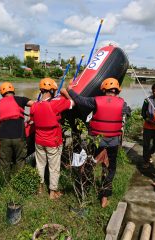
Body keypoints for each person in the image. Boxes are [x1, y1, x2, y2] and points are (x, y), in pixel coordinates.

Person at [64, 78, 131, 208]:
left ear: (103, 89)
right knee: (109, 168)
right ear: (117, 91)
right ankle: (104, 198)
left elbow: (79, 100)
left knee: (90, 164)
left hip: (96, 141)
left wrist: (70, 89)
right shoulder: (123, 104)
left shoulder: (95, 100)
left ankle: (84, 190)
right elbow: (126, 113)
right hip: (113, 142)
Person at [30, 78, 74, 200]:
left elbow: (33, 118)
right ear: (52, 91)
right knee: (54, 167)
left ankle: (40, 188)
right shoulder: (56, 104)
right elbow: (72, 103)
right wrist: (65, 93)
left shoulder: (34, 106)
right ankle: (53, 192)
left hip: (39, 141)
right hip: (53, 141)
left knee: (40, 165)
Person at [0, 82, 34, 180]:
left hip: (4, 137)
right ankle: (20, 181)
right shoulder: (21, 99)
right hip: (19, 136)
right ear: (13, 91)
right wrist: (31, 116)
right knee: (20, 159)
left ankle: (5, 183)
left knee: (5, 161)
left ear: (2, 93)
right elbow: (35, 104)